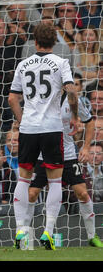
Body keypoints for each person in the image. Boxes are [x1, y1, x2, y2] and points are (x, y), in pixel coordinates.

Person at [8, 23, 79, 250]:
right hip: (51, 127)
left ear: (35, 42)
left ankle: (20, 229)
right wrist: (74, 115)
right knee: (55, 180)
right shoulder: (61, 63)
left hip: (29, 128)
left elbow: (12, 99)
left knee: (24, 178)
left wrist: (20, 120)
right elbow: (71, 90)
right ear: (54, 43)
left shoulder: (23, 64)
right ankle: (48, 232)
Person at [27, 92, 102, 247]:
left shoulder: (73, 100)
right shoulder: (40, 98)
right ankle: (24, 235)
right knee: (32, 194)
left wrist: (86, 147)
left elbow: (89, 122)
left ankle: (92, 236)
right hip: (43, 155)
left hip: (67, 154)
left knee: (82, 192)